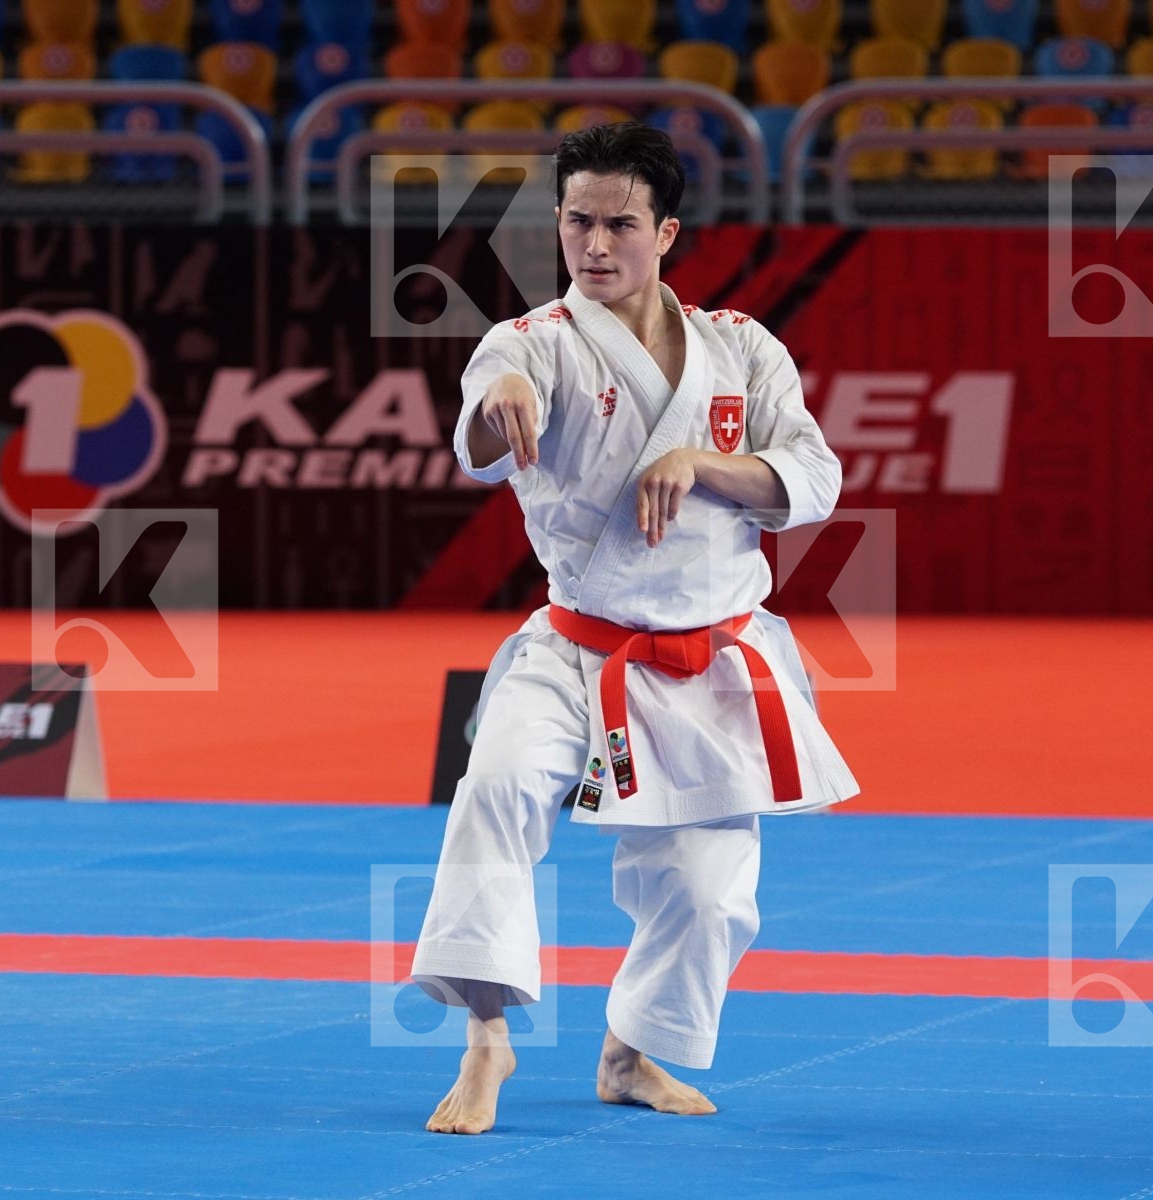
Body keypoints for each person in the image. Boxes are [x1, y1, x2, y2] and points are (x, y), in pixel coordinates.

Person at [412, 122, 860, 1135]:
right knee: (495, 786)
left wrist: (702, 462)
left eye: (620, 223)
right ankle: (487, 1042)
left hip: (708, 661)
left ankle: (631, 1052)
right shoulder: (534, 344)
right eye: (578, 222)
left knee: (710, 892)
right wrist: (504, 402)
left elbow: (815, 478)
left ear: (668, 232)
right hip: (575, 649)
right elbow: (484, 420)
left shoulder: (742, 346)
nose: (595, 244)